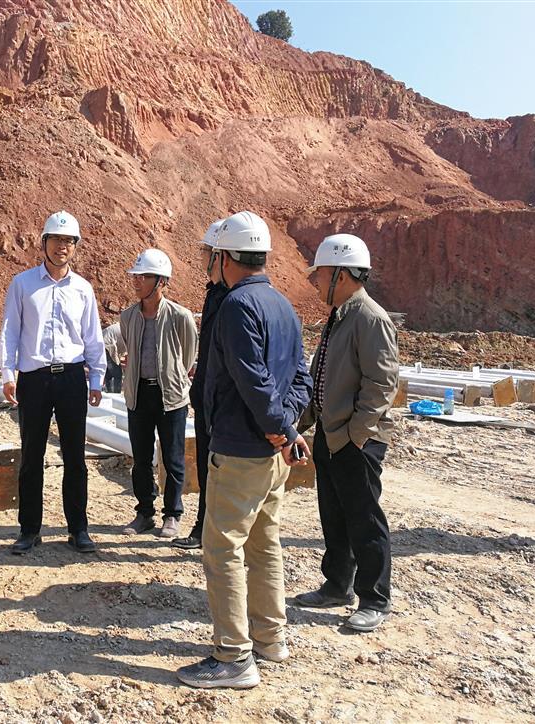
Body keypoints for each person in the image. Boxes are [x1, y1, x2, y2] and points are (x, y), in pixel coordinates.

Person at [177, 211, 312, 689]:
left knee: (222, 549)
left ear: (225, 256)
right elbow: (301, 378)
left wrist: (279, 428)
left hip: (241, 450)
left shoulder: (236, 306)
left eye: (211, 255)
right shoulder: (282, 304)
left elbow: (252, 381)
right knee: (263, 544)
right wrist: (286, 428)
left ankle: (234, 656)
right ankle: (270, 638)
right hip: (272, 456)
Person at [294, 233, 399, 633]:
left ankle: (374, 598)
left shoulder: (370, 318)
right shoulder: (339, 317)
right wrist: (303, 423)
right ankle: (338, 585)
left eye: (321, 274)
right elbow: (321, 378)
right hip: (332, 435)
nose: (316, 282)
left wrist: (356, 434)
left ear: (340, 274)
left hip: (357, 440)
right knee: (334, 516)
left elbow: (381, 384)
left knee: (364, 519)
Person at [0, 210, 106, 555]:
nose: (63, 246)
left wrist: (97, 378)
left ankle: (78, 529)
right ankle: (29, 529)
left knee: (75, 457)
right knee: (32, 456)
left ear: (75, 247)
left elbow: (92, 336)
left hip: (72, 377)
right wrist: (8, 374)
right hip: (34, 379)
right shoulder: (23, 284)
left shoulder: (83, 289)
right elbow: (10, 331)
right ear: (43, 242)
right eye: (57, 239)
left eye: (69, 241)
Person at [117, 249, 198, 539]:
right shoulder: (128, 317)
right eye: (136, 276)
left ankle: (172, 514)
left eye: (145, 276)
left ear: (161, 281)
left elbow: (188, 355)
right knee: (140, 458)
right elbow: (127, 348)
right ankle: (144, 513)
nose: (137, 281)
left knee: (173, 458)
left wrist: (173, 378)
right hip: (138, 394)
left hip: (170, 397)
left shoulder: (180, 317)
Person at [172, 220, 226, 550]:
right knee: (208, 469)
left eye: (207, 252)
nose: (202, 258)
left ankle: (214, 532)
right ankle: (204, 528)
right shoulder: (214, 294)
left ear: (220, 255)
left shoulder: (232, 300)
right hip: (208, 401)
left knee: (222, 473)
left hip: (222, 405)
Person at [102, 322, 124, 394]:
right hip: (108, 346)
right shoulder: (129, 329)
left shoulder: (123, 326)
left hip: (102, 345)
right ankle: (115, 393)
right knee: (117, 373)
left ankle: (108, 391)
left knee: (109, 372)